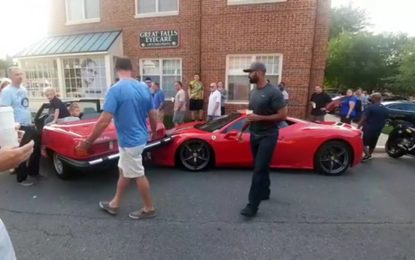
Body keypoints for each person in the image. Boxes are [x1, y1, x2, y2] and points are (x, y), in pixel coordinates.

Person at [76, 58, 157, 220]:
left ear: (116, 69)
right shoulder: (143, 88)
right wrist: (153, 130)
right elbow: (152, 113)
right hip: (139, 138)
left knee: (138, 174)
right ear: (132, 68)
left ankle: (149, 208)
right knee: (124, 171)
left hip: (130, 142)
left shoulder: (115, 90)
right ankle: (114, 203)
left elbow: (104, 121)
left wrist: (87, 142)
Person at [238, 62, 287, 218]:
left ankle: (252, 206)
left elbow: (283, 115)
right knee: (261, 166)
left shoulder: (274, 92)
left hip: (269, 135)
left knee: (258, 169)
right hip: (255, 134)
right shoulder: (253, 92)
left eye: (250, 72)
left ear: (259, 73)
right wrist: (242, 130)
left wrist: (261, 118)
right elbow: (251, 115)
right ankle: (265, 191)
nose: (248, 75)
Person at [0, 67, 42, 186]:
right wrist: (11, 128)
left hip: (29, 124)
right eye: (17, 74)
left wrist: (32, 120)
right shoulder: (7, 91)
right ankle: (21, 179)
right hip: (18, 127)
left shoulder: (23, 89)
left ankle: (34, 173)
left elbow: (24, 107)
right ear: (11, 77)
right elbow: (4, 111)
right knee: (21, 153)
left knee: (36, 149)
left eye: (21, 74)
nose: (20, 76)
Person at [358, 93, 388, 162]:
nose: (370, 98)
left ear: (374, 98)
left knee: (362, 143)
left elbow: (363, 118)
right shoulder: (385, 109)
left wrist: (358, 127)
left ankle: (367, 155)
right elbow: (386, 119)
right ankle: (369, 155)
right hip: (378, 129)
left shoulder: (370, 107)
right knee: (373, 143)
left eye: (371, 97)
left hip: (368, 128)